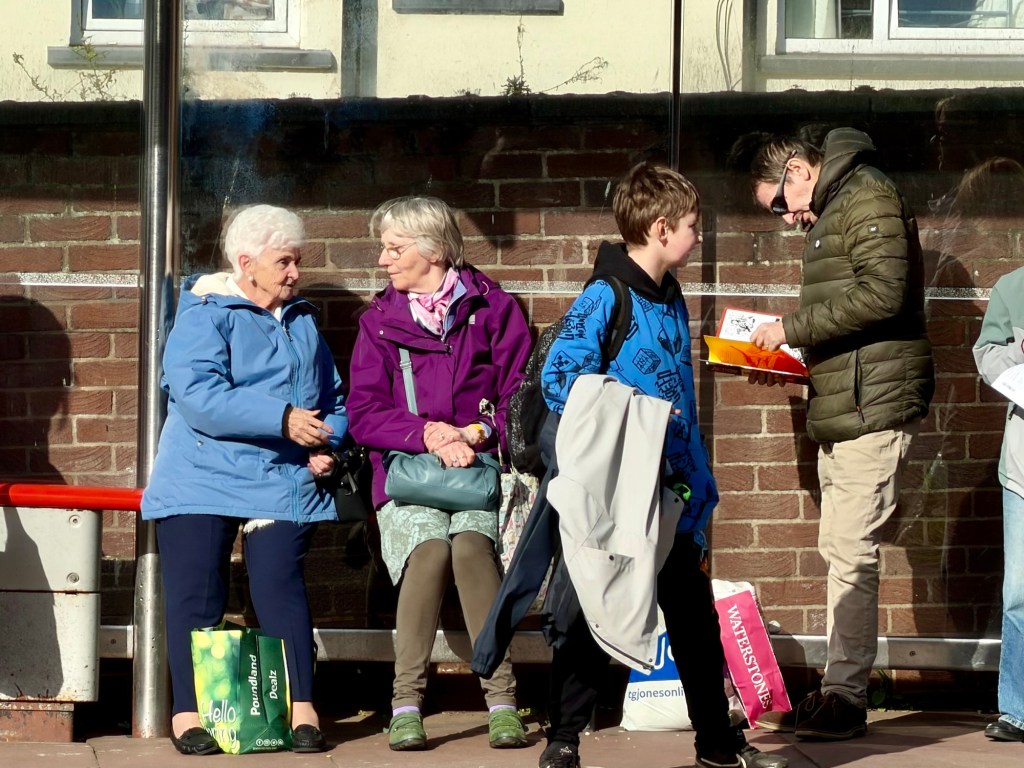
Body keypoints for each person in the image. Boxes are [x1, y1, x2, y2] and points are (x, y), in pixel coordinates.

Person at [535, 162, 787, 768]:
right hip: (627, 490)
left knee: (695, 623)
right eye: (693, 227)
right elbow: (560, 379)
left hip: (674, 489)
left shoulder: (669, 292)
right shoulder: (606, 295)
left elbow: (676, 389)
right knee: (606, 614)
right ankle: (564, 739)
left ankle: (717, 745)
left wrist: (697, 481)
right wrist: (637, 419)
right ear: (660, 227)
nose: (698, 237)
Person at [742, 128, 934, 740]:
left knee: (851, 553)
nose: (785, 217)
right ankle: (839, 689)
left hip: (869, 408)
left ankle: (847, 697)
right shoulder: (841, 205)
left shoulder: (865, 196)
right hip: (848, 402)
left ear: (799, 168)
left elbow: (884, 294)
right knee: (841, 551)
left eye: (779, 202)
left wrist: (791, 329)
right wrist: (794, 366)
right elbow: (854, 309)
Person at [141, 204, 346, 755]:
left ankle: (302, 709)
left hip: (281, 475)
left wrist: (330, 441)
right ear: (246, 262)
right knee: (198, 595)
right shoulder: (205, 314)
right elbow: (200, 396)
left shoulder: (301, 320)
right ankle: (190, 715)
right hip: (202, 473)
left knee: (279, 585)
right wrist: (282, 419)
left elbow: (334, 399)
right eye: (285, 261)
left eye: (297, 261)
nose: (295, 273)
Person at [346, 196, 532, 751]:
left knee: (473, 550)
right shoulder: (379, 323)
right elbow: (364, 411)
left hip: (476, 466)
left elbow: (520, 394)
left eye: (393, 248)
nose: (383, 260)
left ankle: (502, 699)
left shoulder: (493, 309)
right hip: (407, 471)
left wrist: (474, 436)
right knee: (427, 554)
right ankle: (406, 703)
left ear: (432, 250)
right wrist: (428, 433)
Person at [973, 268, 1024, 743]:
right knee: (1020, 594)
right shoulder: (1013, 288)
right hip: (1023, 468)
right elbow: (986, 357)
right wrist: (1021, 351)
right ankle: (1018, 708)